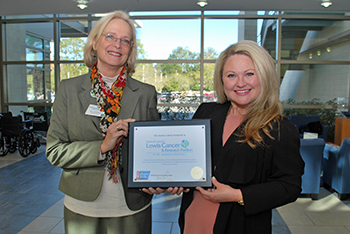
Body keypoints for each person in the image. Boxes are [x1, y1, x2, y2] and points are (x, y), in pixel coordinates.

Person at [46, 11, 160, 234]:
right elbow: (55, 151)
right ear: (95, 42)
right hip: (82, 206)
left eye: (125, 40)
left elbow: (152, 152)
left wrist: (163, 177)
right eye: (110, 37)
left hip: (132, 207)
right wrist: (102, 147)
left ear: (130, 49)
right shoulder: (68, 90)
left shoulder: (146, 93)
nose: (117, 45)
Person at [176, 40, 305, 234]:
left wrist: (238, 195)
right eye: (231, 75)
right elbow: (186, 160)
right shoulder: (206, 112)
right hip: (193, 220)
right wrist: (173, 179)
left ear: (264, 76)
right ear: (222, 80)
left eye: (249, 74)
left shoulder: (278, 128)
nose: (240, 83)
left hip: (240, 225)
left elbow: (290, 186)